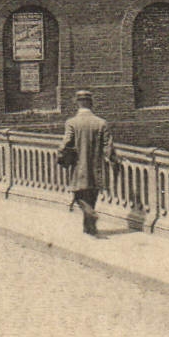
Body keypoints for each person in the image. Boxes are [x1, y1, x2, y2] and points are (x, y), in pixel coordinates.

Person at [60, 89, 117, 236]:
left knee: (79, 194)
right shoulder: (101, 123)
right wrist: (114, 160)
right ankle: (90, 228)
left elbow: (66, 143)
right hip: (97, 167)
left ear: (77, 103)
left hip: (80, 165)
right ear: (91, 103)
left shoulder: (71, 123)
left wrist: (61, 157)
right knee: (92, 195)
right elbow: (108, 147)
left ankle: (90, 214)